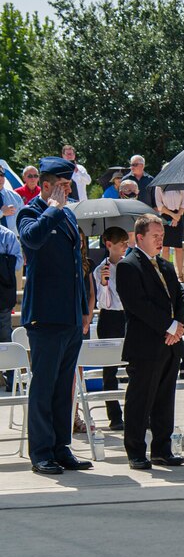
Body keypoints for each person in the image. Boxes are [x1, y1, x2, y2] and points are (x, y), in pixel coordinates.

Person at [17, 157, 92, 475]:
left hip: (70, 316)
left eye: (68, 187)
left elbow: (77, 268)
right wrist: (52, 208)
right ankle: (42, 452)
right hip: (45, 316)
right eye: (61, 186)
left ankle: (62, 447)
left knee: (65, 387)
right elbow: (32, 239)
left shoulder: (66, 216)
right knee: (44, 386)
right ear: (45, 186)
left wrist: (84, 311)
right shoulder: (31, 213)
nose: (66, 192)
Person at [115, 214, 184, 469]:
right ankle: (136, 451)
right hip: (146, 345)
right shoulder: (128, 266)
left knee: (165, 399)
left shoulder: (165, 265)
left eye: (162, 236)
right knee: (140, 400)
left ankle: (162, 450)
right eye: (155, 236)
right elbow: (138, 304)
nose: (160, 241)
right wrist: (168, 326)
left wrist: (179, 326)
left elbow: (178, 295)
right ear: (140, 237)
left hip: (171, 343)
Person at [91, 226, 130, 430]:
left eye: (126, 242)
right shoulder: (100, 270)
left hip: (127, 316)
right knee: (110, 370)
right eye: (121, 242)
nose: (125, 246)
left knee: (134, 366)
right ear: (109, 245)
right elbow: (103, 302)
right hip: (109, 317)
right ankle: (115, 416)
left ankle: (137, 412)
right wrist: (105, 283)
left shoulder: (128, 265)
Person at [155, 179, 184, 282]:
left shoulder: (181, 186)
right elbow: (159, 205)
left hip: (179, 216)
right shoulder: (159, 186)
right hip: (165, 216)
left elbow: (183, 205)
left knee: (178, 247)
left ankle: (180, 275)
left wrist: (177, 217)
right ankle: (166, 273)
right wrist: (173, 216)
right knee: (165, 247)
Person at [0, 222, 20, 391]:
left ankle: (11, 381)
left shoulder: (7, 235)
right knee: (6, 336)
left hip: (2, 295)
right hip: (4, 294)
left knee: (6, 337)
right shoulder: (8, 235)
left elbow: (18, 263)